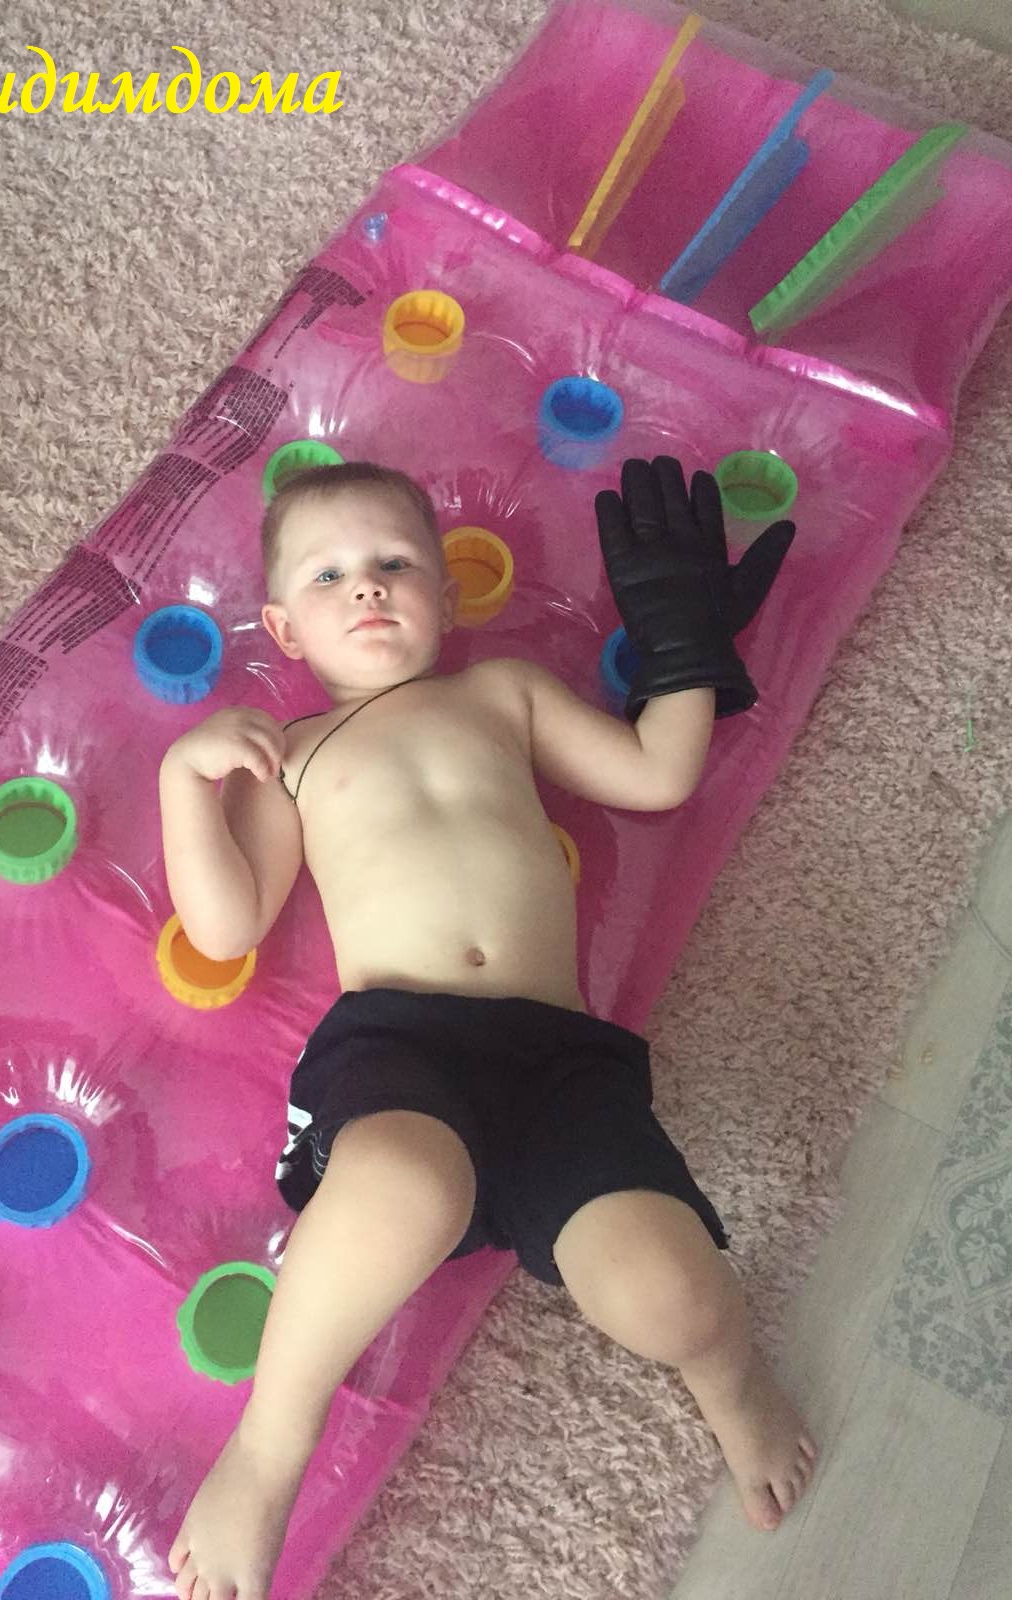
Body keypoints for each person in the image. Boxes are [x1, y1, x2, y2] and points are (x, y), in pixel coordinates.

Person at [159, 456, 816, 1600]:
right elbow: (224, 927)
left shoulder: (503, 692)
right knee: (400, 1185)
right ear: (285, 629)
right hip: (396, 1047)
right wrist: (184, 778)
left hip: (559, 1063)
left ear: (449, 593)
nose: (368, 587)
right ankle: (266, 1452)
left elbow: (658, 773)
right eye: (329, 575)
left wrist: (682, 648)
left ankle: (734, 1381)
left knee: (672, 1287)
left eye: (394, 561)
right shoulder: (291, 753)